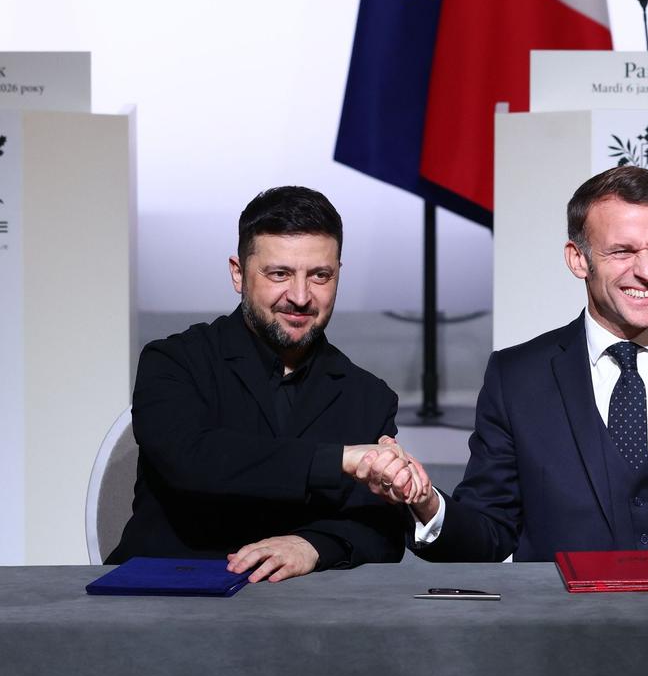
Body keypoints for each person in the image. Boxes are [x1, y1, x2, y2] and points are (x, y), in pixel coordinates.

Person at [355, 166, 648, 562]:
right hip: (560, 644)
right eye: (623, 252)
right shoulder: (517, 378)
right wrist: (427, 504)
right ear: (578, 259)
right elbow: (487, 536)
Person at [108, 186, 425, 581]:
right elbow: (194, 461)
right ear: (238, 274)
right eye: (279, 274)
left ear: (338, 274)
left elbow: (383, 530)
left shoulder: (369, 397)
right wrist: (336, 460)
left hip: (303, 619)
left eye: (319, 276)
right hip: (166, 598)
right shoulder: (173, 362)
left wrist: (313, 545)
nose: (299, 296)